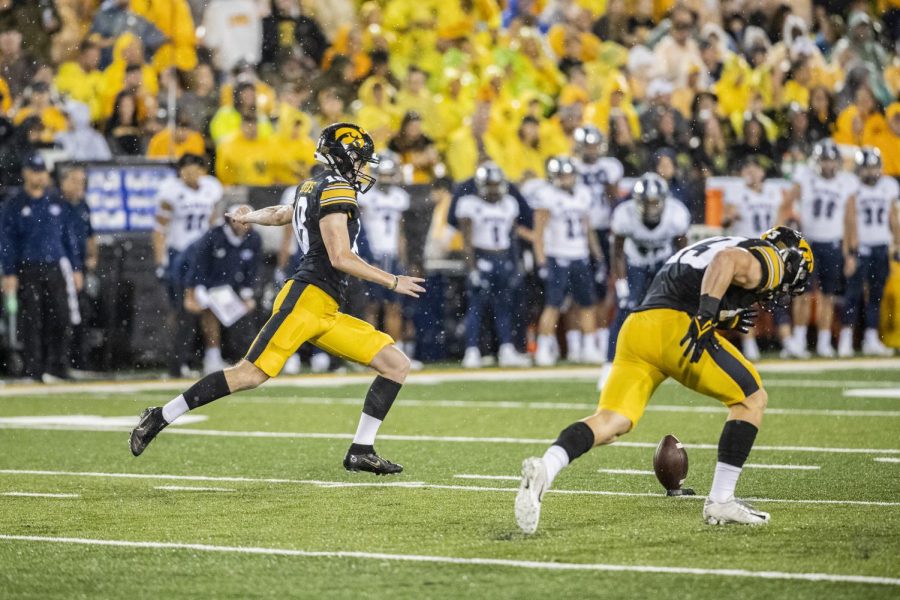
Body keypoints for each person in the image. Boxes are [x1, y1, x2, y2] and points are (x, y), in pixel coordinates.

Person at [130, 122, 426, 476]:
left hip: (324, 307)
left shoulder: (311, 186)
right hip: (306, 300)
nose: (365, 168)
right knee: (249, 374)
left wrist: (247, 216)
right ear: (345, 159)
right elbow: (340, 257)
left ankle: (361, 450)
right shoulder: (338, 190)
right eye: (361, 160)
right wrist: (392, 280)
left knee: (395, 364)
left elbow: (280, 213)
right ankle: (160, 415)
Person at [515, 227, 814, 533]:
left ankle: (546, 468)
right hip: (676, 330)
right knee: (751, 399)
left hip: (638, 328)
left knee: (612, 421)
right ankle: (721, 500)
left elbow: (685, 281)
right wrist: (708, 314)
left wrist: (720, 313)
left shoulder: (720, 242)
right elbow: (725, 262)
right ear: (791, 261)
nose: (784, 292)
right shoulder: (771, 261)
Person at [600, 173, 690, 387]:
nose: (650, 208)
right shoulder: (625, 215)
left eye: (655, 202)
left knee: (671, 313)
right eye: (646, 203)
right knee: (625, 310)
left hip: (664, 263)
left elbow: (683, 252)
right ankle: (609, 365)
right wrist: (621, 285)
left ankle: (673, 364)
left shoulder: (676, 215)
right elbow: (618, 252)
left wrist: (682, 282)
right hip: (635, 264)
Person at [0, 155, 83, 381]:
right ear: (26, 173)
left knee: (62, 318)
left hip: (55, 266)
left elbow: (69, 237)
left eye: (42, 171)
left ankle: (57, 366)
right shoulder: (14, 203)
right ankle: (33, 369)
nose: (39, 176)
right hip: (28, 267)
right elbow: (7, 240)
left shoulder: (56, 201)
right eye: (35, 171)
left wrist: (76, 267)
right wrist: (8, 272)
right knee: (32, 320)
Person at [780, 139, 859, 358]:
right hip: (808, 243)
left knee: (828, 296)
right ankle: (798, 340)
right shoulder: (805, 177)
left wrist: (851, 252)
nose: (828, 165)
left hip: (833, 244)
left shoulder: (846, 183)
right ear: (816, 162)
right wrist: (781, 236)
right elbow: (785, 206)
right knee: (802, 295)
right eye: (824, 160)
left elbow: (851, 219)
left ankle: (824, 342)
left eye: (831, 160)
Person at [455, 162, 533, 369]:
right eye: (490, 184)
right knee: (476, 306)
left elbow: (512, 235)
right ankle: (472, 351)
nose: (494, 189)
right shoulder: (469, 204)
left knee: (504, 306)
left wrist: (517, 262)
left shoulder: (509, 203)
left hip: (503, 258)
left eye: (496, 184)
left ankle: (506, 348)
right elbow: (467, 241)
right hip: (481, 257)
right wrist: (471, 268)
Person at [152, 153, 223, 376]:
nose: (190, 173)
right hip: (180, 255)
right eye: (186, 169)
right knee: (182, 309)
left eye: (195, 169)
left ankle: (212, 356)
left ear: (202, 171)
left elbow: (213, 220)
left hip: (203, 256)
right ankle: (178, 360)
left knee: (209, 306)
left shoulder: (211, 188)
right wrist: (161, 261)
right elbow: (159, 229)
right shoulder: (170, 191)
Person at [533, 156, 602, 367]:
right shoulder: (547, 196)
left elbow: (587, 228)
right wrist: (542, 261)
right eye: (562, 175)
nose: (566, 179)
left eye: (569, 174)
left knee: (587, 303)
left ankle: (588, 346)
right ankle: (543, 348)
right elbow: (539, 233)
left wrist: (597, 255)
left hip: (579, 255)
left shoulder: (583, 194)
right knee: (553, 304)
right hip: (557, 255)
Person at [722, 157, 790, 361]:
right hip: (746, 252)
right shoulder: (736, 192)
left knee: (777, 296)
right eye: (747, 169)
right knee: (746, 299)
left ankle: (787, 341)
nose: (751, 172)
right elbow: (726, 217)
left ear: (763, 172)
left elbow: (779, 222)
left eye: (755, 168)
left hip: (767, 252)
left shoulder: (772, 192)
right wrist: (730, 217)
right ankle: (749, 344)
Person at [184, 205, 263, 374]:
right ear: (231, 220)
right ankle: (211, 356)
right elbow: (199, 264)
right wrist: (197, 291)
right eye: (241, 220)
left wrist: (247, 293)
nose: (245, 225)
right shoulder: (213, 236)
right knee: (207, 310)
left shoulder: (254, 238)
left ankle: (247, 356)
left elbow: (252, 269)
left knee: (247, 313)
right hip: (209, 286)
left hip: (234, 288)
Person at [838, 148, 898, 358]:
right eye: (866, 167)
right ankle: (846, 337)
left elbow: (893, 218)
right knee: (853, 295)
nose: (870, 171)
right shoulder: (853, 188)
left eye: (873, 167)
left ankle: (871, 338)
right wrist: (850, 253)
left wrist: (897, 244)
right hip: (861, 248)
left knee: (876, 295)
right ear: (859, 169)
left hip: (881, 247)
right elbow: (849, 221)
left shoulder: (888, 186)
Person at [572, 125, 622, 365]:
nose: (591, 151)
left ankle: (600, 339)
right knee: (579, 291)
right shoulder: (571, 167)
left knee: (604, 287)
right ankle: (579, 342)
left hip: (603, 230)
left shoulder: (609, 167)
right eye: (587, 145)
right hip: (577, 235)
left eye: (594, 145)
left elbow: (615, 198)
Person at [358, 153, 410, 356]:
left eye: (390, 175)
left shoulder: (400, 197)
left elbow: (401, 231)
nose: (387, 179)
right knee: (371, 306)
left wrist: (402, 257)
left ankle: (395, 352)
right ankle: (367, 352)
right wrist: (364, 257)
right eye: (384, 175)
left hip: (392, 255)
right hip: (373, 255)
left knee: (393, 306)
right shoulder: (366, 196)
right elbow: (359, 230)